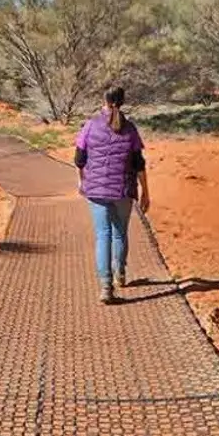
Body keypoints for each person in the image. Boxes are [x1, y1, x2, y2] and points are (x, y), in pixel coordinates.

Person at [74, 86, 150, 304]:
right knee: (119, 233)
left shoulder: (90, 126)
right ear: (122, 102)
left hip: (96, 191)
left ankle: (106, 287)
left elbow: (79, 158)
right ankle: (121, 274)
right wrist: (146, 192)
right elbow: (139, 164)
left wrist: (82, 180)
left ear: (104, 101)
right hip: (123, 191)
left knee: (103, 235)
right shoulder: (130, 129)